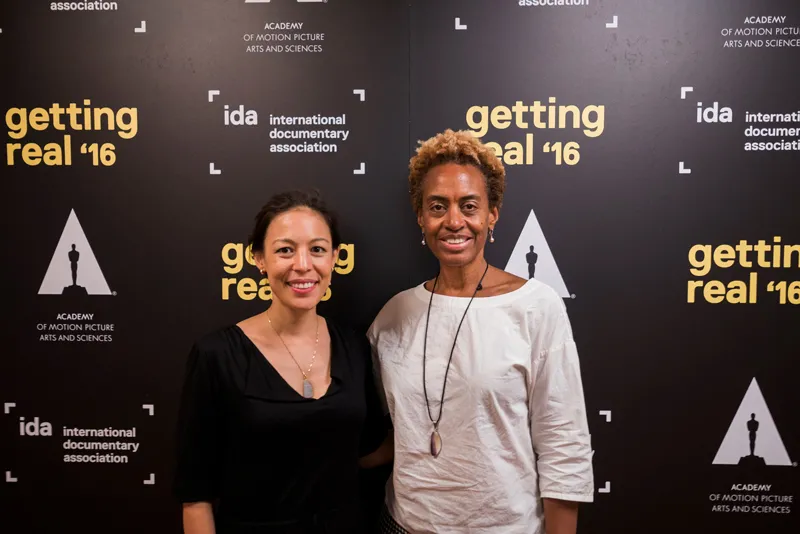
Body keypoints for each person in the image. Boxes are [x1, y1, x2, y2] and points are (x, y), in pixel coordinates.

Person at [368, 129, 594, 533]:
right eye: (438, 206)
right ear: (420, 217)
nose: (454, 221)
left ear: (492, 214)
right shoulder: (393, 316)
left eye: (469, 205)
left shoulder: (536, 307)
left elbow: (564, 445)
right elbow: (387, 433)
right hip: (402, 525)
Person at [173, 190, 388, 534]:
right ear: (259, 258)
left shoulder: (354, 347)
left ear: (334, 258)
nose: (303, 265)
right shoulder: (217, 355)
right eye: (285, 250)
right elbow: (195, 497)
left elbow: (369, 451)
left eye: (317, 249)